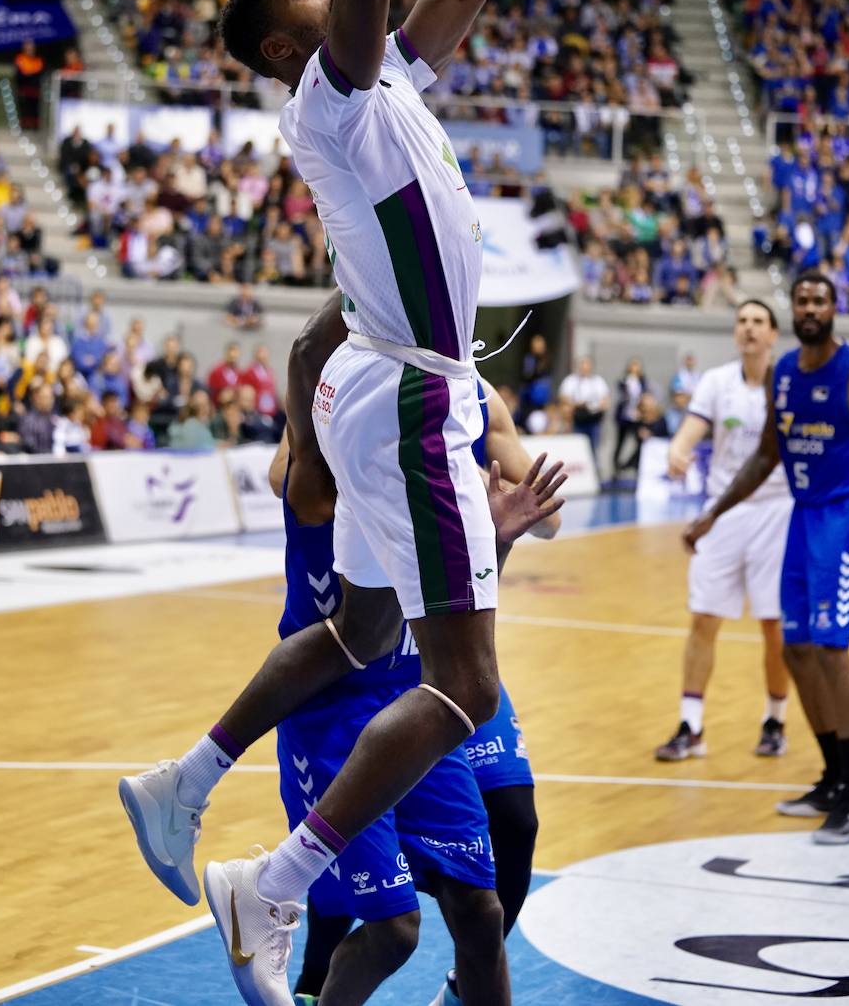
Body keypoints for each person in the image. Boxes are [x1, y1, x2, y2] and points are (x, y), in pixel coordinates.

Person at [120, 0, 522, 1006]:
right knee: (464, 685)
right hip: (406, 392)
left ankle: (184, 779)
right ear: (286, 45)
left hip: (378, 383)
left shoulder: (380, 71)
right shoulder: (332, 100)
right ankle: (276, 882)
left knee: (359, 628)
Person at [120, 295, 563, 1006]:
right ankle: (216, 823)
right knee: (388, 927)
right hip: (332, 711)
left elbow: (466, 596)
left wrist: (495, 532)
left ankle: (202, 804)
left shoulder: (440, 455)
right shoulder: (323, 463)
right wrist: (368, 278)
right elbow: (300, 392)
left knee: (480, 907)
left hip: (419, 694)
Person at [685, 273, 849, 843]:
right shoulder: (784, 374)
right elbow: (765, 458)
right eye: (803, 300)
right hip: (802, 518)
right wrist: (715, 512)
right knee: (797, 649)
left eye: (820, 300)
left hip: (842, 519)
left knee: (832, 652)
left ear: (835, 308)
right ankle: (833, 776)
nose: (811, 308)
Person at [657, 301, 793, 761]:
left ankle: (775, 718)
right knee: (703, 619)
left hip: (777, 511)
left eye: (758, 322)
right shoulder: (717, 382)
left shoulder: (787, 381)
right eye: (742, 321)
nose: (749, 328)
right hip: (722, 513)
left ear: (773, 334)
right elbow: (691, 431)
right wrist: (677, 451)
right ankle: (690, 726)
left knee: (774, 627)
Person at [558, 355, 609, 465]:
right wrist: (578, 404)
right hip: (577, 419)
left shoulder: (598, 381)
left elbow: (605, 401)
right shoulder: (571, 380)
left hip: (593, 419)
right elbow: (564, 398)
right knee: (576, 448)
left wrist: (592, 405)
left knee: (593, 450)